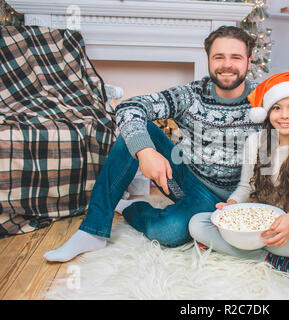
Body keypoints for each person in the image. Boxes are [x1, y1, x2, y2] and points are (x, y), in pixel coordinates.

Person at [43, 26, 262, 263]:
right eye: (219, 57)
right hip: (190, 179)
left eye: (236, 57)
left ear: (248, 62)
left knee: (170, 232)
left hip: (241, 195)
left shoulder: (264, 99)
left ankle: (128, 208)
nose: (227, 64)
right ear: (208, 59)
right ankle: (92, 230)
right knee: (138, 131)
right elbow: (129, 106)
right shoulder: (191, 94)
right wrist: (146, 151)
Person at [189, 72, 289, 283]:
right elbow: (246, 187)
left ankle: (237, 249)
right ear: (267, 112)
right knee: (197, 224)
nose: (284, 116)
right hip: (256, 221)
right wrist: (232, 205)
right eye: (276, 108)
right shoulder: (256, 141)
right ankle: (275, 260)